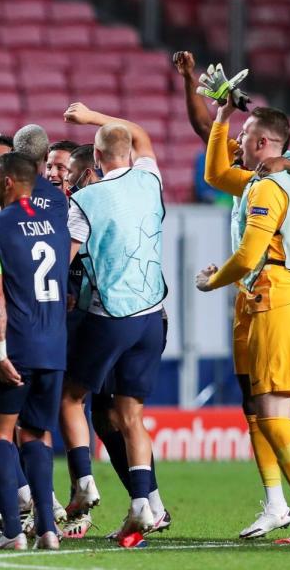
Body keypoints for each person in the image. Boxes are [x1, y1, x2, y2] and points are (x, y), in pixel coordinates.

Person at [176, 50, 290, 539]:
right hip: (258, 298)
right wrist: (222, 111)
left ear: (267, 144)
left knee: (279, 412)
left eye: (245, 140)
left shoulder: (278, 177)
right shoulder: (251, 181)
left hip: (280, 292)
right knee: (266, 407)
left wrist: (214, 280)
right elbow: (211, 170)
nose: (236, 146)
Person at [59, 102, 169, 546]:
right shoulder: (150, 180)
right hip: (153, 318)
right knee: (131, 416)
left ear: (96, 160)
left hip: (112, 316)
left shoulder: (85, 200)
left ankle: (84, 484)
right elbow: (139, 132)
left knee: (70, 396)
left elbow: (64, 260)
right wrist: (91, 118)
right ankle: (143, 505)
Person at [0, 151, 70, 551]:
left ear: (10, 182)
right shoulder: (58, 224)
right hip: (54, 347)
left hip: (17, 346)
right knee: (37, 434)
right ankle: (48, 531)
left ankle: (13, 532)